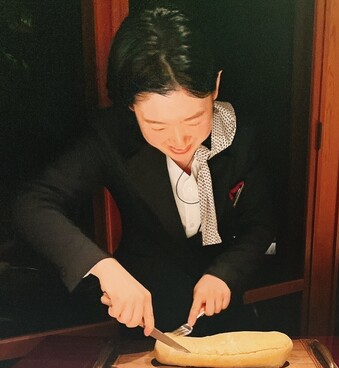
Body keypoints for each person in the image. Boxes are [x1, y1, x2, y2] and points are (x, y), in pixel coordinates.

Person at [13, 4, 274, 338]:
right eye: (156, 125)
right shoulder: (112, 136)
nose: (179, 140)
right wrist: (104, 267)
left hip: (224, 315)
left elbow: (260, 225)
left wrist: (225, 275)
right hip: (143, 317)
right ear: (131, 106)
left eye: (194, 119)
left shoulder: (239, 135)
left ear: (216, 87)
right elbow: (32, 203)